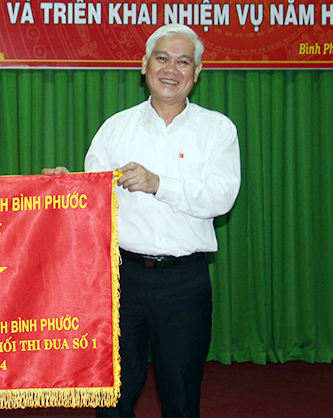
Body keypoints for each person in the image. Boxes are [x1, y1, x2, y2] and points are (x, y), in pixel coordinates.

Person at [44, 24, 241, 417]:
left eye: (183, 62)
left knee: (181, 394)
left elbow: (221, 197)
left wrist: (159, 184)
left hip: (184, 283)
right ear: (144, 65)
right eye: (162, 58)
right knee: (114, 395)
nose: (171, 69)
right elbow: (92, 199)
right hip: (122, 280)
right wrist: (67, 186)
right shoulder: (116, 128)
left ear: (197, 72)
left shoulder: (217, 130)